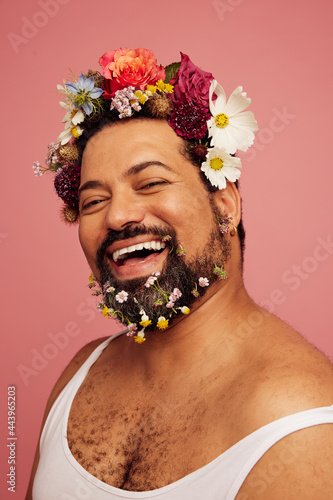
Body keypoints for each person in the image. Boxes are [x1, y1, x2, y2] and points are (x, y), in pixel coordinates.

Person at [27, 47, 333, 499]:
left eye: (150, 183)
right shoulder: (78, 375)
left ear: (225, 202)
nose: (117, 217)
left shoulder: (298, 428)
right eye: (93, 201)